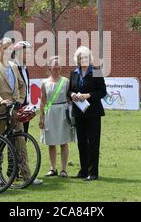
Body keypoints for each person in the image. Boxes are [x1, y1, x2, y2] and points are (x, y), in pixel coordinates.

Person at [0, 37, 43, 185]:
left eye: (10, 49)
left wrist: (20, 99)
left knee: (21, 143)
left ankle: (26, 176)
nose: (7, 51)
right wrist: (0, 100)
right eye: (5, 48)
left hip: (15, 112)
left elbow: (23, 85)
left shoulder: (14, 66)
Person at [67, 46, 107, 181]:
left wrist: (88, 95)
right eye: (80, 57)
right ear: (77, 59)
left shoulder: (96, 71)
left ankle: (93, 172)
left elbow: (102, 92)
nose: (83, 59)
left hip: (93, 112)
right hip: (79, 112)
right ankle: (83, 171)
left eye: (85, 57)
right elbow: (69, 91)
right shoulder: (74, 73)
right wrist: (72, 94)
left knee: (93, 142)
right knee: (81, 143)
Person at [39, 56, 75, 178]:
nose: (56, 67)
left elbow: (70, 99)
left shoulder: (66, 81)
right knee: (51, 142)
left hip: (62, 113)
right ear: (49, 67)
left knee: (64, 141)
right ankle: (52, 168)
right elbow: (43, 101)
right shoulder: (44, 83)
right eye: (54, 65)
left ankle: (64, 169)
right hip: (50, 113)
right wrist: (41, 118)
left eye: (58, 65)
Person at [12, 40, 33, 134]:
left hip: (25, 107)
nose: (29, 55)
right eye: (26, 53)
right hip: (17, 106)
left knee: (24, 135)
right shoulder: (13, 68)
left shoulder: (25, 68)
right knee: (16, 137)